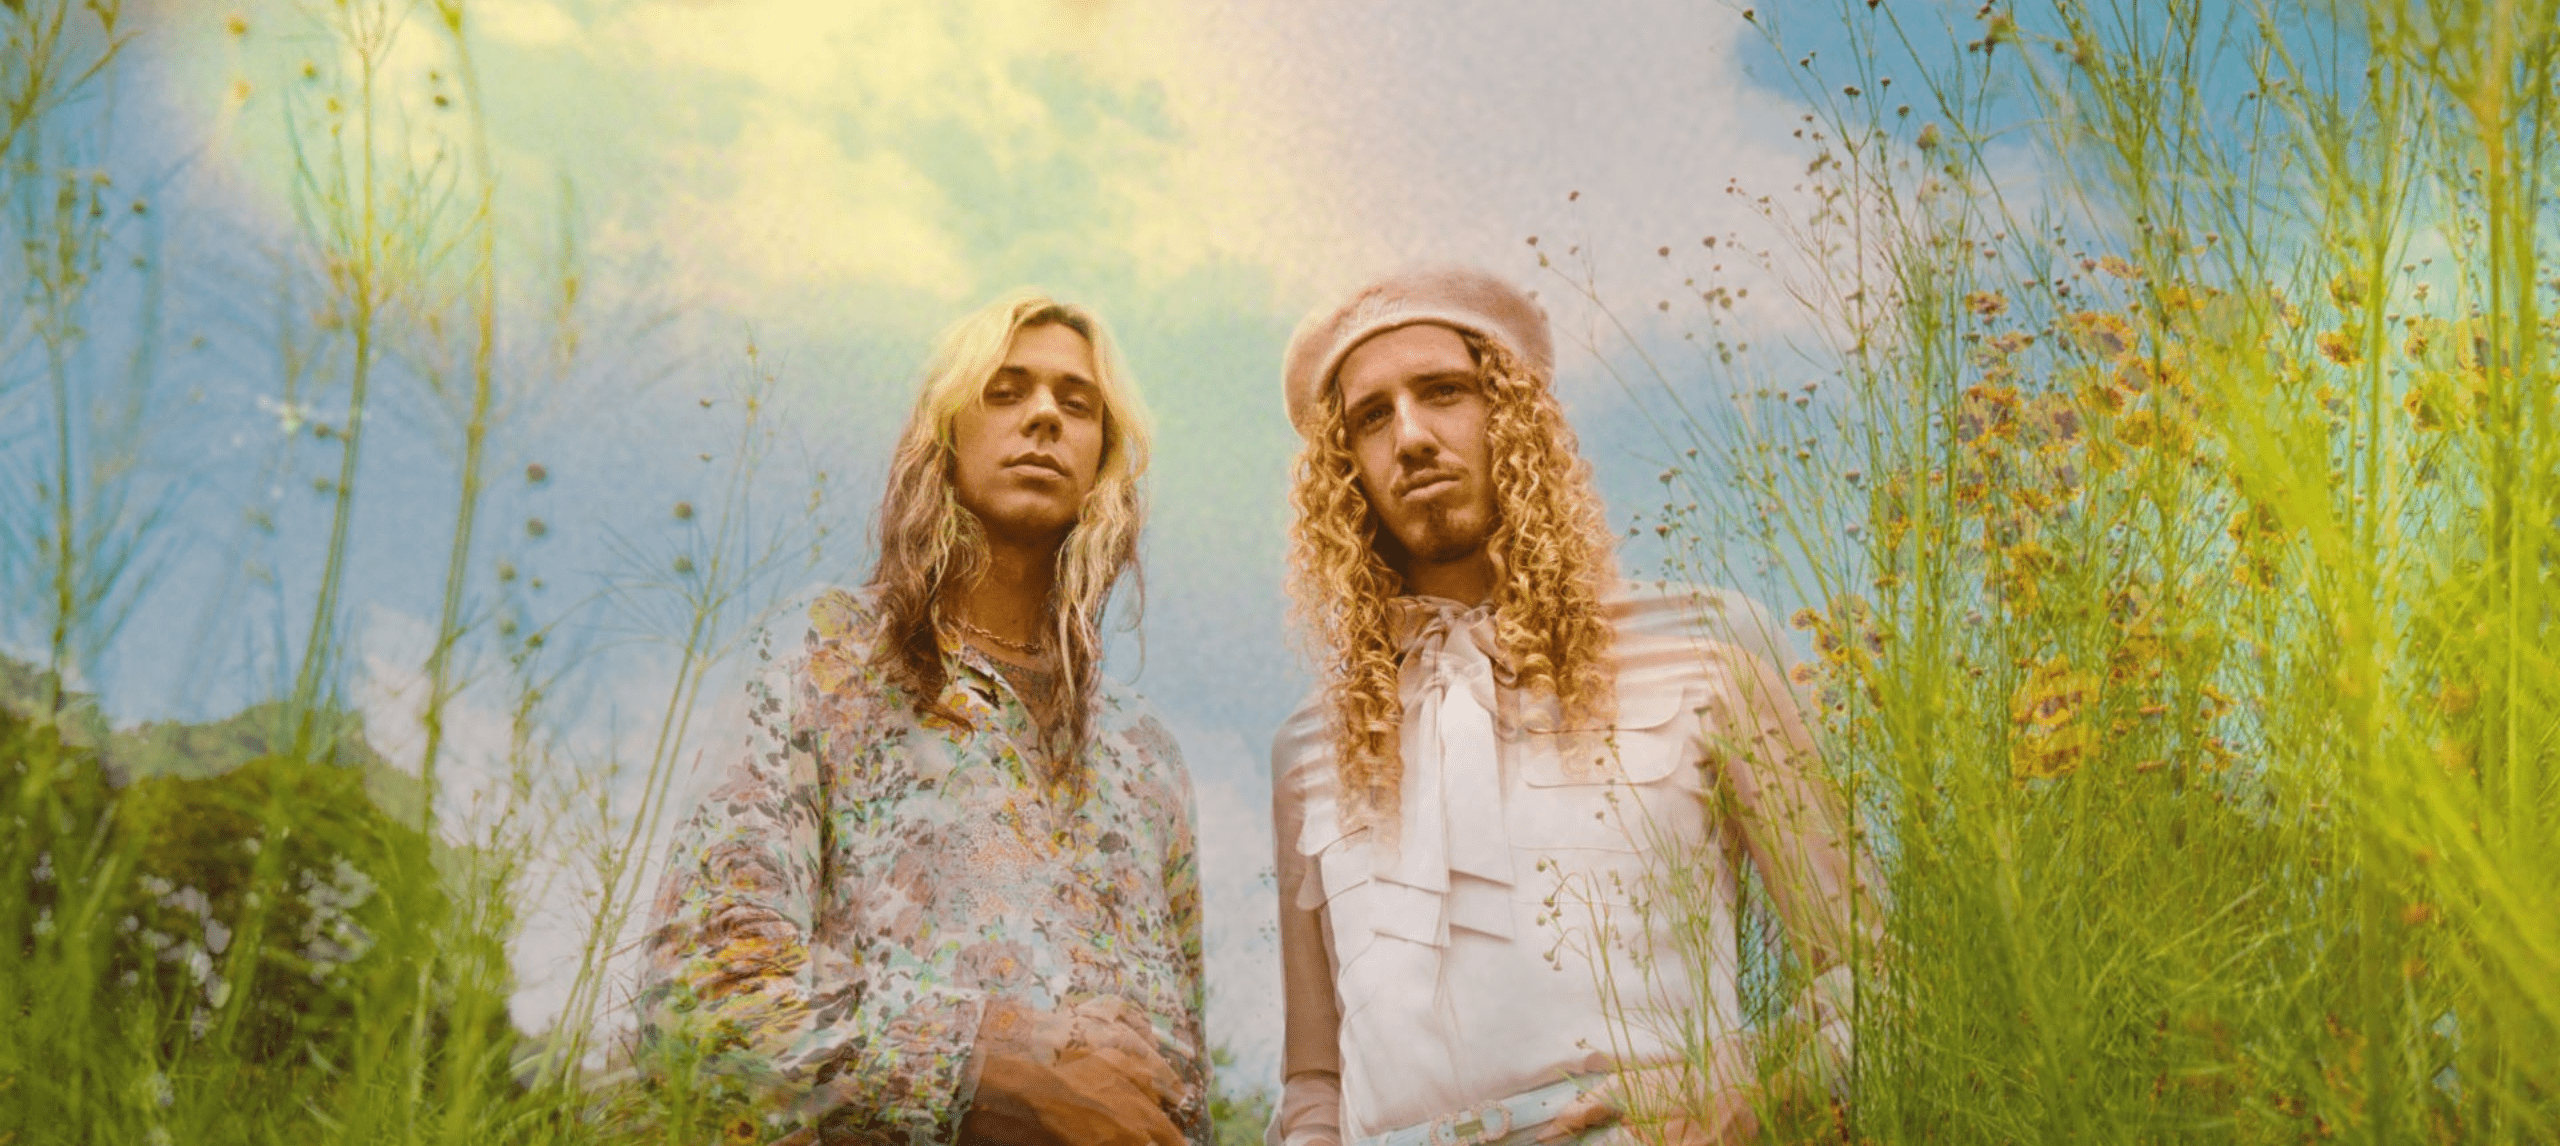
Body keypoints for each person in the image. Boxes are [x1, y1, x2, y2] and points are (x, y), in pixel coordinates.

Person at [1267, 266, 1879, 1146]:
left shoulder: (1710, 652)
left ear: (1512, 416)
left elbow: (1870, 974)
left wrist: (1751, 1095)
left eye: (1444, 392)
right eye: (1372, 416)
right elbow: (1314, 1080)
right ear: (1344, 470)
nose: (1411, 436)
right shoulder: (1310, 750)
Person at [639, 291, 1207, 1146]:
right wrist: (995, 1062)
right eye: (1005, 390)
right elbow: (699, 993)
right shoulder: (823, 657)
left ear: (1105, 457)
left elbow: (1184, 1082)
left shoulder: (1146, 754)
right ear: (942, 433)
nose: (1045, 416)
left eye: (1076, 402)